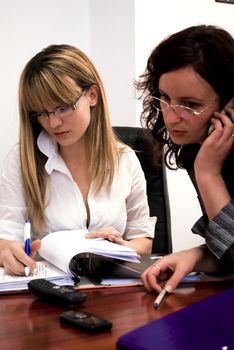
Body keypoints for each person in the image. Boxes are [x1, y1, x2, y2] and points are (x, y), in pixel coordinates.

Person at [0, 44, 155, 275]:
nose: (53, 123)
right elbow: (6, 235)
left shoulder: (126, 160)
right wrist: (8, 251)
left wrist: (121, 246)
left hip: (112, 289)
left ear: (92, 95)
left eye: (63, 108)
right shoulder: (23, 160)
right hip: (50, 291)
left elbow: (142, 239)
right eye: (41, 113)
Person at [137, 24, 234, 294]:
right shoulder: (201, 148)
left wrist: (208, 175)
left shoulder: (207, 162)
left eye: (190, 105)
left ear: (228, 105)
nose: (170, 116)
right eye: (165, 98)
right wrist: (194, 256)